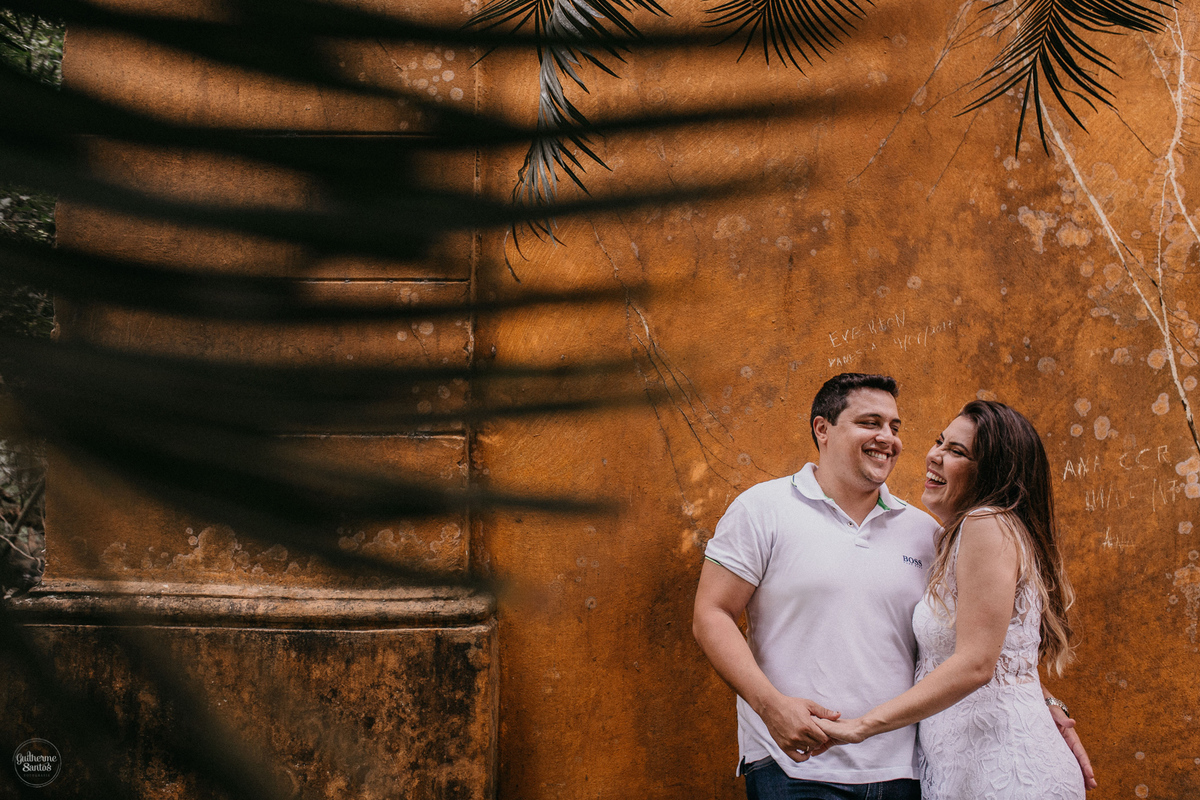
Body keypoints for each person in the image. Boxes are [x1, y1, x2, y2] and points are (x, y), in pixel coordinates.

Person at [815, 400, 1096, 799]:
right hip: (967, 766)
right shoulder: (963, 535)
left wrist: (862, 726)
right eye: (940, 442)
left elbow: (977, 663)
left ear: (992, 473)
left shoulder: (985, 525)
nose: (935, 456)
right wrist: (1048, 699)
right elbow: (1003, 655)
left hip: (1004, 770)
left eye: (957, 452)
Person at [693, 373, 937, 799]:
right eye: (870, 422)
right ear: (823, 429)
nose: (888, 438)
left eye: (894, 427)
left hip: (904, 770)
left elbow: (966, 638)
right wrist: (771, 707)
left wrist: (1040, 701)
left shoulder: (925, 532)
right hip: (793, 766)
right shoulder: (762, 509)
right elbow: (711, 613)